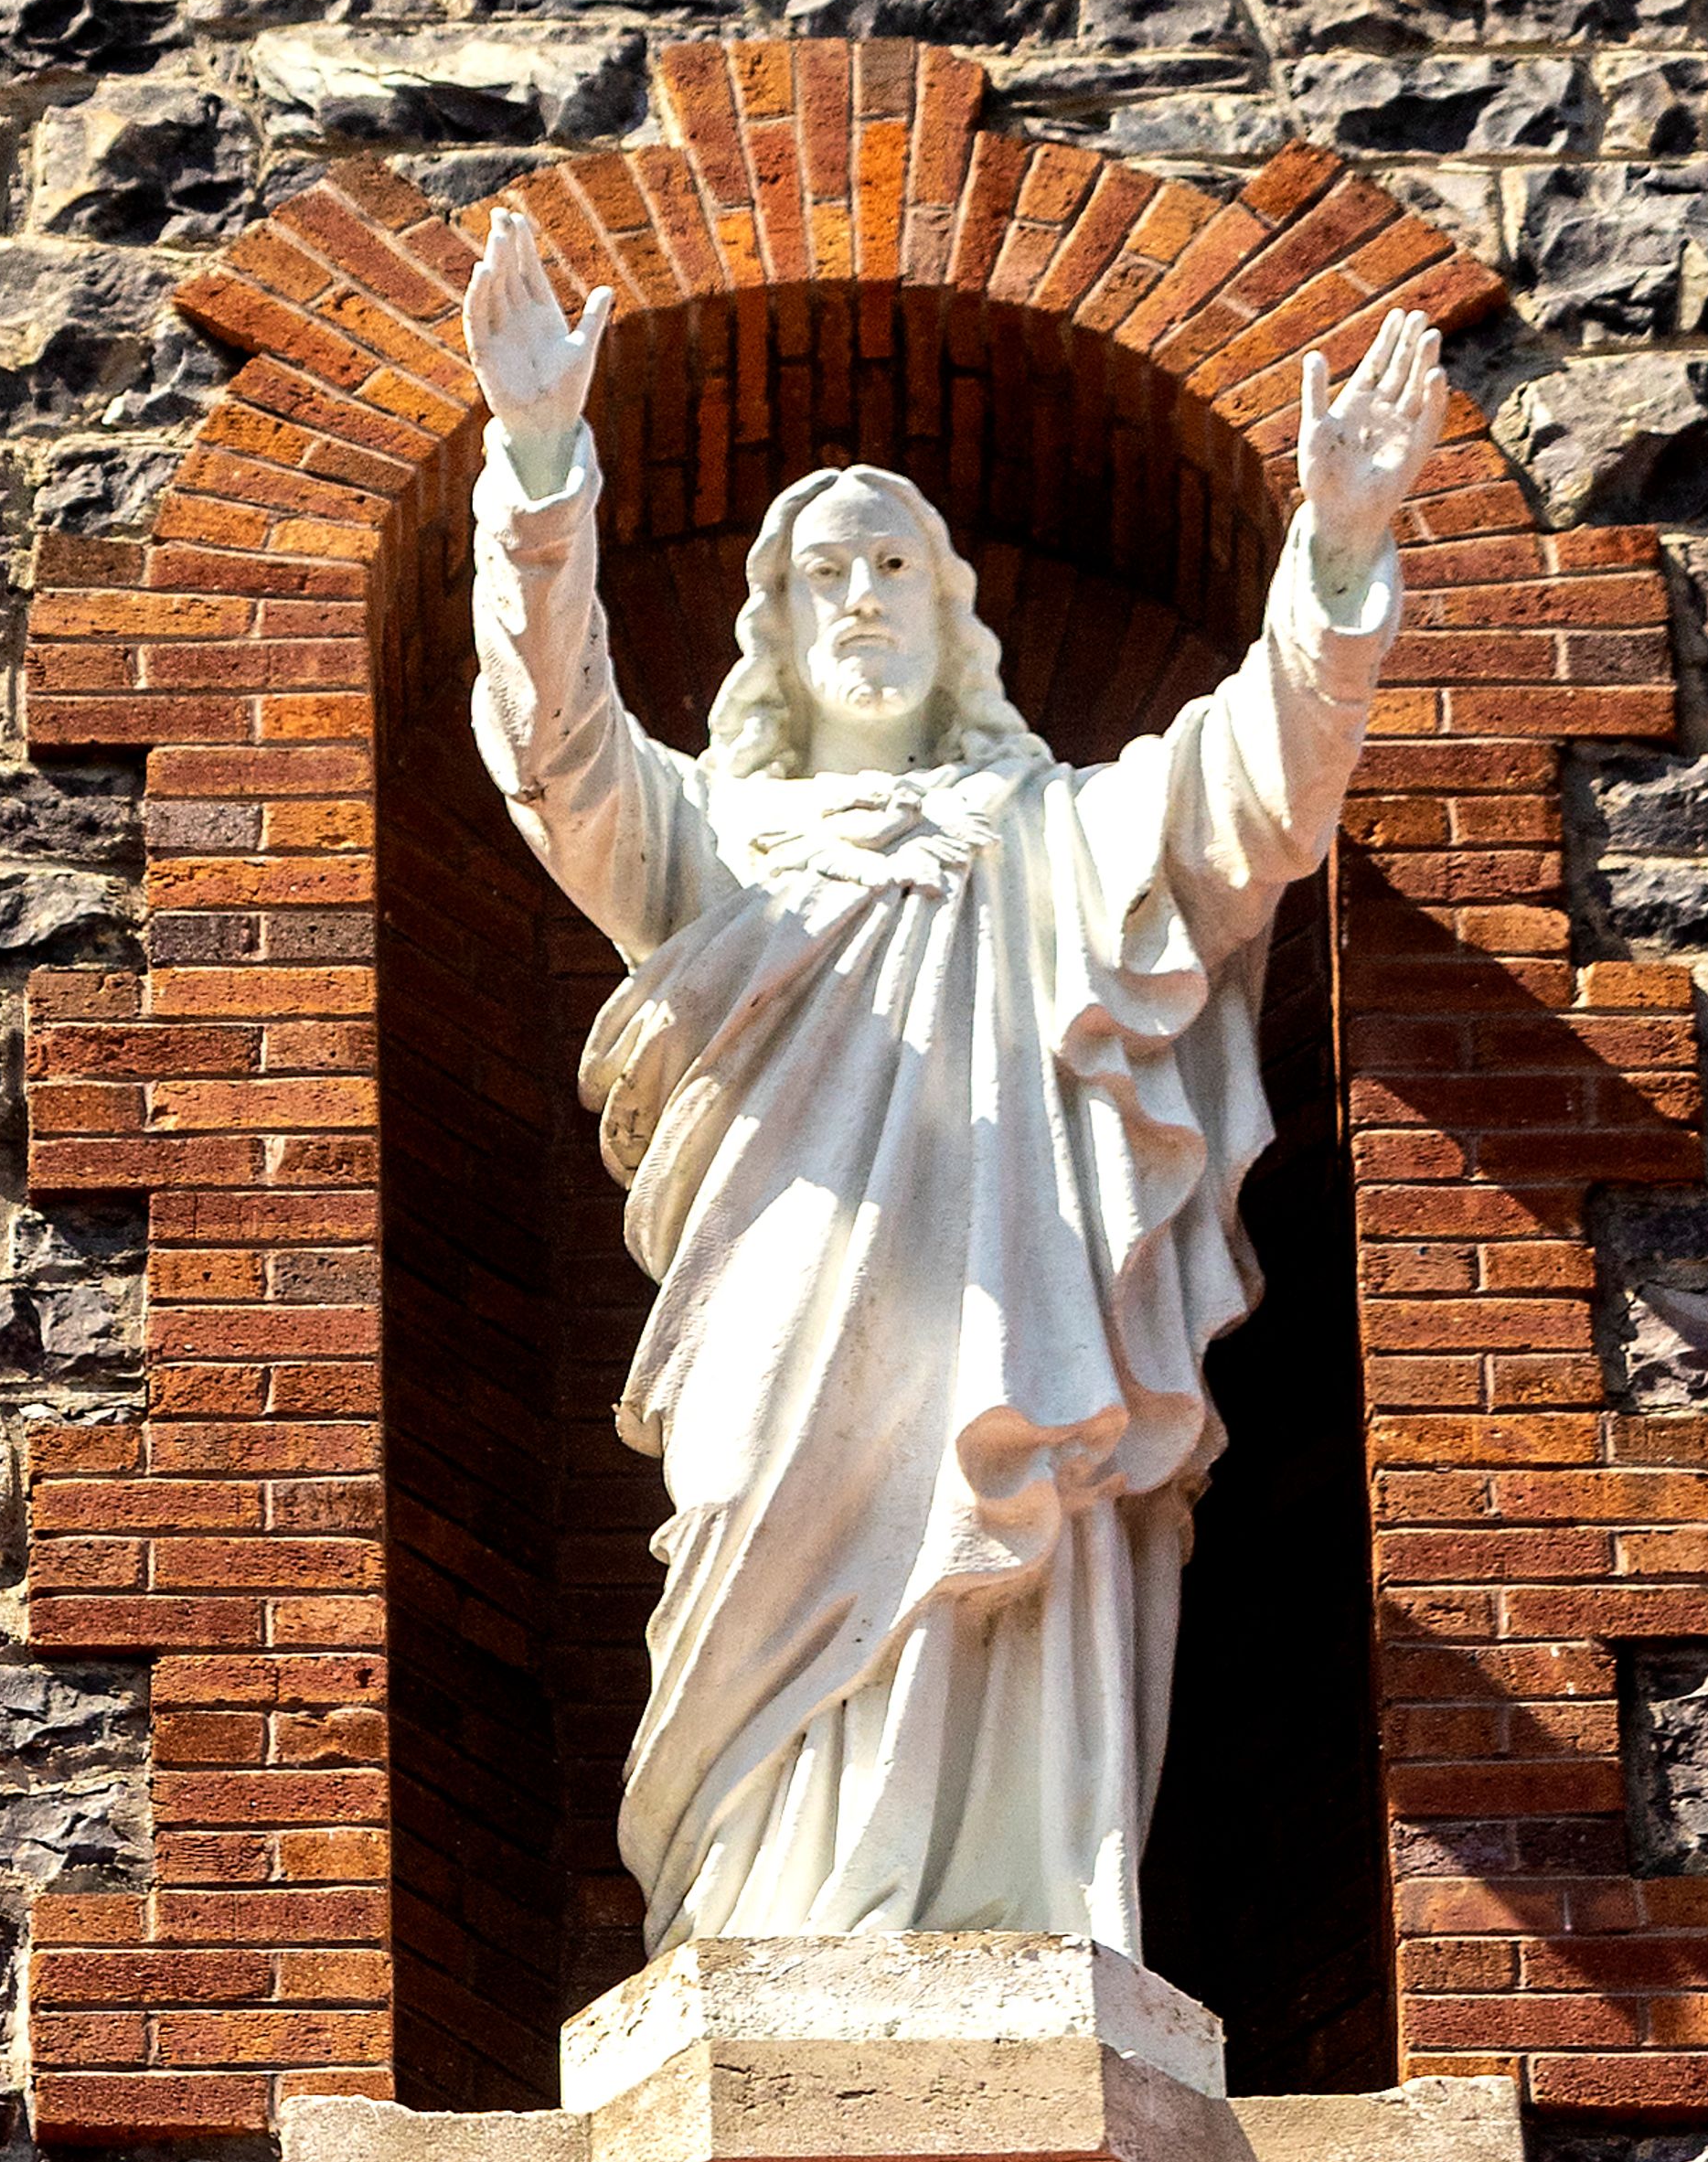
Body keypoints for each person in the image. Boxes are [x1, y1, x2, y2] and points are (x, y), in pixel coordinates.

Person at [458, 199, 1447, 1967]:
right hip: (785, 1293)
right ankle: (764, 1916)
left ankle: (1011, 1909)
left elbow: (1263, 792)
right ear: (771, 625)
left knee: (1023, 1552)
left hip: (1022, 1301)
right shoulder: (720, 831)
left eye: (894, 565)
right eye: (823, 573)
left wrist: (1337, 560)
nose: (861, 598)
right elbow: (557, 751)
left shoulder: (1062, 828)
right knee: (757, 1517)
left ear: (953, 610)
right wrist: (541, 470)